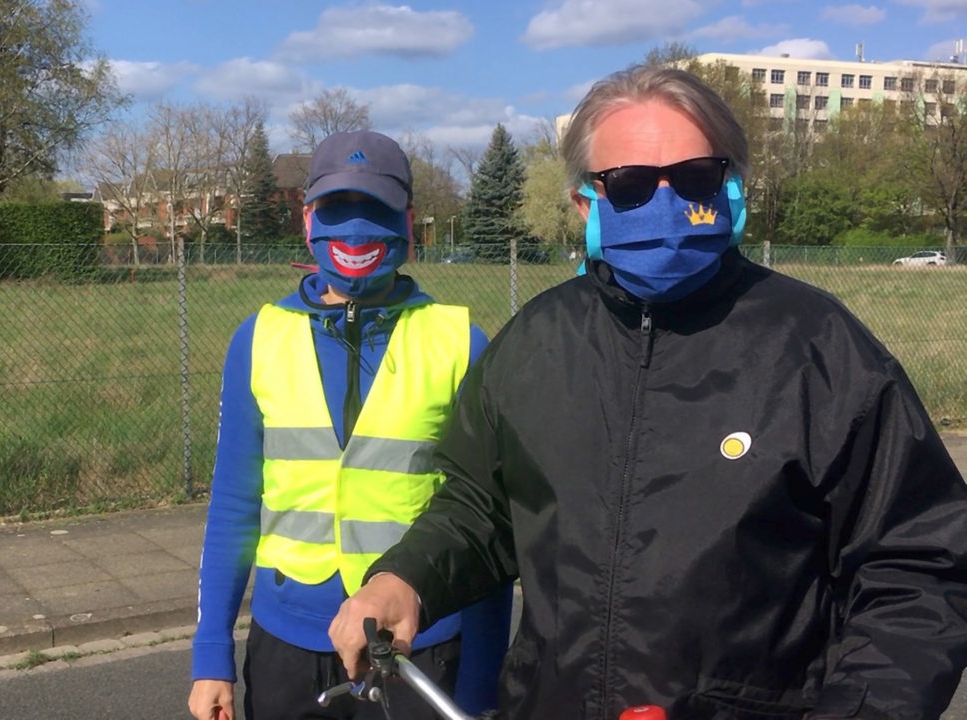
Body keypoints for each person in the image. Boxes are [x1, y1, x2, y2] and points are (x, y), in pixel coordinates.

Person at [328, 65, 967, 720]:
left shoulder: (820, 352)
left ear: (730, 185)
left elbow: (919, 570)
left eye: (692, 178)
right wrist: (405, 576)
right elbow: (478, 508)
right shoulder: (534, 346)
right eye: (630, 185)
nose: (665, 204)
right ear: (585, 203)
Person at [188, 130, 514, 720]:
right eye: (339, 209)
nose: (357, 228)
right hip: (287, 646)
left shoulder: (461, 343)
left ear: (408, 223)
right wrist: (212, 653)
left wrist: (482, 686)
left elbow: (486, 525)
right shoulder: (258, 339)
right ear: (310, 221)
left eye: (377, 210)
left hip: (423, 645)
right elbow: (235, 504)